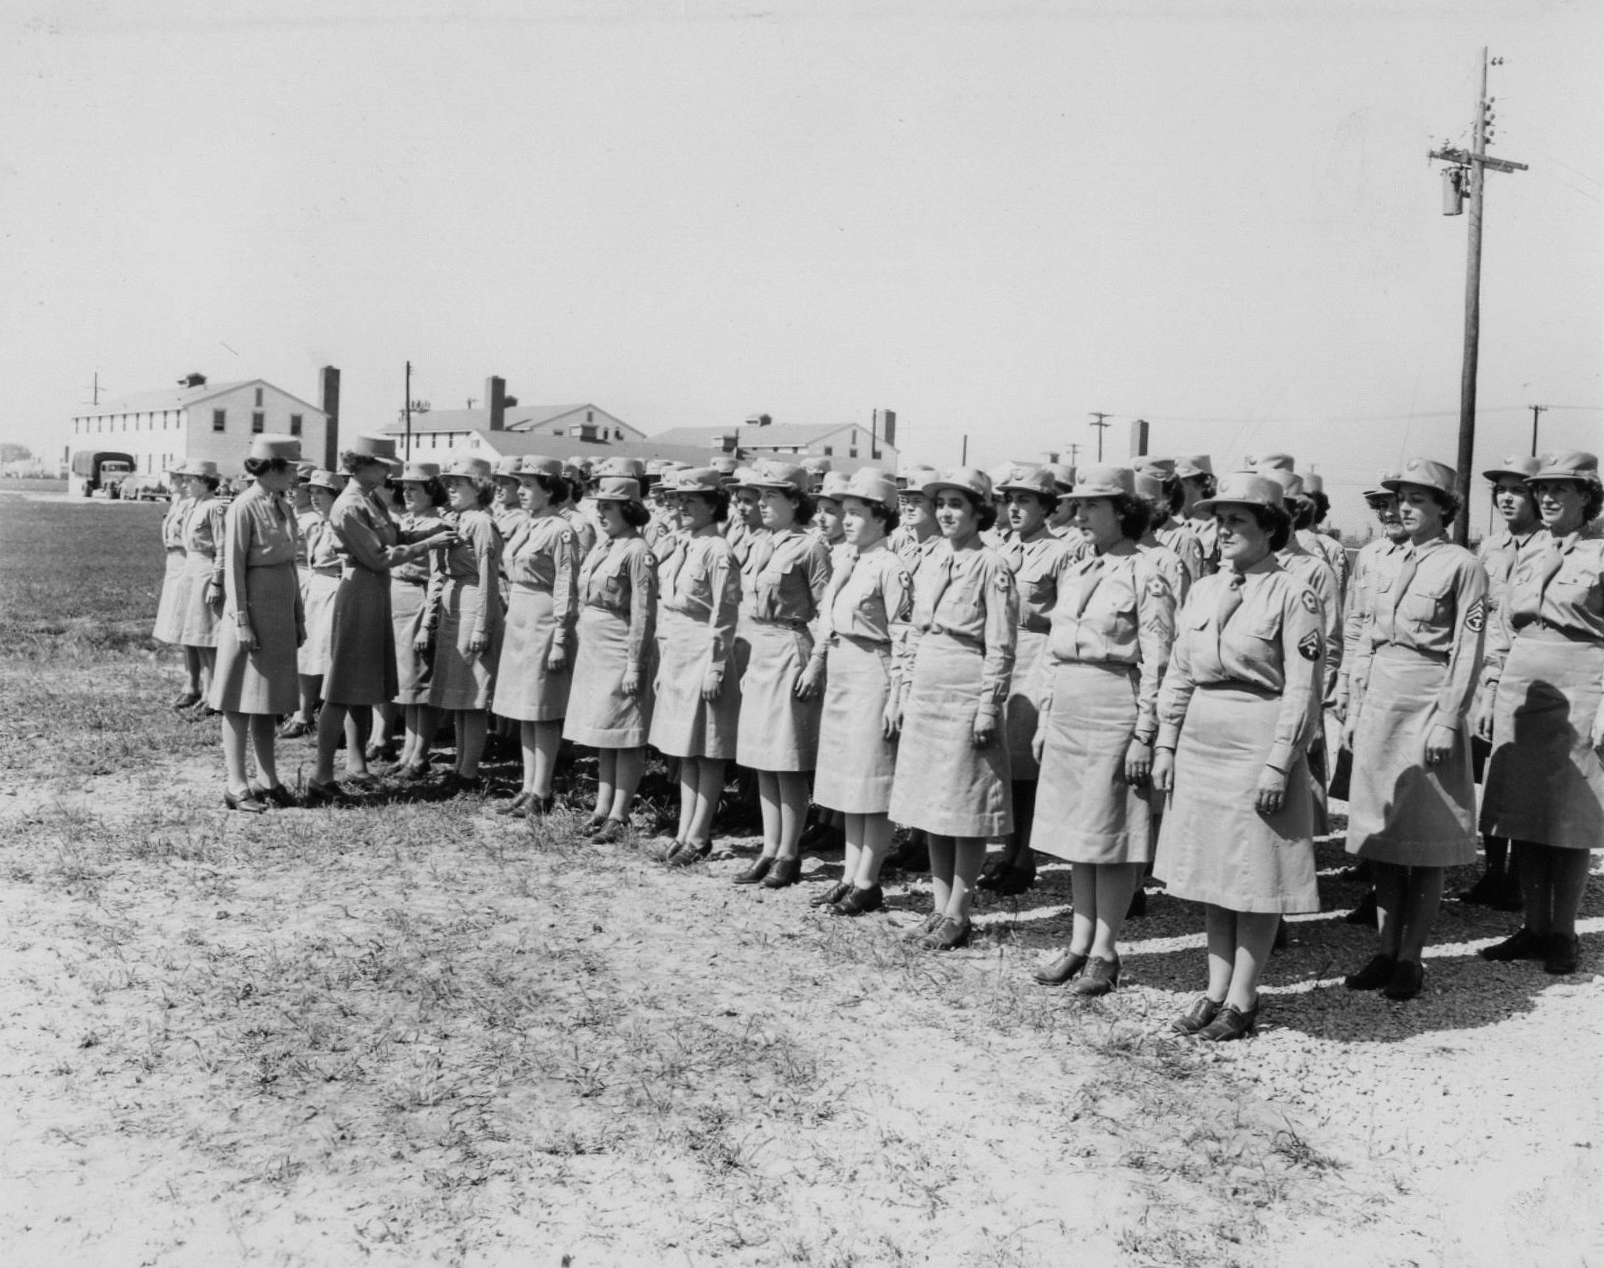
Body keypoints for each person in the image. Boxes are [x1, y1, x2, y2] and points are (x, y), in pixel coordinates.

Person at [1152, 473, 1324, 1041]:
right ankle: (1213, 990)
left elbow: (1303, 686)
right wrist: (1165, 741)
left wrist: (1281, 760)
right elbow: (1179, 671)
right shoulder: (1203, 589)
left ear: (1270, 529)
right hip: (1203, 738)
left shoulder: (1295, 592)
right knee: (1211, 871)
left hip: (1257, 736)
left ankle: (1243, 999)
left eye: (1238, 521)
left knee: (1254, 873)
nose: (1223, 530)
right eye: (1219, 520)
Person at [1342, 458, 1487, 1001]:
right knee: (1383, 835)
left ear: (1444, 508)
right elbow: (1360, 635)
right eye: (1400, 496)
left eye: (1419, 499)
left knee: (1424, 841)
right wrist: (1354, 706)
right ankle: (1383, 949)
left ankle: (1411, 958)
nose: (1404, 506)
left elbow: (1467, 651)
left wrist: (1449, 720)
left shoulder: (1461, 565)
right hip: (1381, 697)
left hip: (1428, 701)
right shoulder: (1377, 557)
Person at [1030, 466, 1175, 994]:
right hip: (1070, 703)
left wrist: (1146, 731)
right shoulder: (1076, 570)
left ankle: (1106, 952)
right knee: (1076, 833)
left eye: (1093, 506)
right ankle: (1078, 943)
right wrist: (1046, 718)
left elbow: (1159, 659)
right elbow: (1053, 651)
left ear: (1123, 512)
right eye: (1078, 505)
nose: (1081, 514)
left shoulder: (1148, 572)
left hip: (1116, 703)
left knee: (1110, 833)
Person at [1477, 451, 1604, 976]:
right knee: (1523, 811)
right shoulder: (1528, 553)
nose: (1547, 498)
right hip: (1524, 683)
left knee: (1569, 814)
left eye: (1562, 489)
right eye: (1543, 489)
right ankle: (1532, 925)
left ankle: (1563, 932)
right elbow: (1504, 628)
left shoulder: (1601, 553)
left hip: (1581, 681)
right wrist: (1490, 688)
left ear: (1588, 497)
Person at [888, 467, 1018, 950]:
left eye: (956, 504)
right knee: (931, 802)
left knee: (964, 804)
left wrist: (989, 705)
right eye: (939, 503)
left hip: (966, 683)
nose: (945, 512)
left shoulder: (993, 565)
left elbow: (1002, 644)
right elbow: (912, 630)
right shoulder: (930, 558)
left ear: (979, 511)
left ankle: (960, 912)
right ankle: (938, 907)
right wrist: (902, 690)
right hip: (928, 683)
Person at [309, 436, 454, 801]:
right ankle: (321, 775)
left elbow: (396, 535)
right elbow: (377, 556)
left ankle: (356, 766)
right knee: (342, 687)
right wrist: (428, 545)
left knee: (363, 684)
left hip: (374, 592)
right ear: (361, 465)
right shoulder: (348, 506)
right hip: (359, 591)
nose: (389, 471)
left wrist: (430, 531)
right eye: (383, 464)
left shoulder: (370, 499)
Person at [802, 469, 913, 914]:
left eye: (856, 513)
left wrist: (898, 693)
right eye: (844, 513)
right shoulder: (847, 561)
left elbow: (903, 634)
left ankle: (868, 880)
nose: (846, 521)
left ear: (882, 518)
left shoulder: (891, 567)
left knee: (872, 779)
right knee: (848, 780)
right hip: (844, 670)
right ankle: (849, 875)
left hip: (874, 670)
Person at [981, 466, 1085, 896]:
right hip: (1000, 656)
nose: (1016, 508)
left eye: (1026, 500)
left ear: (1047, 507)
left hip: (1036, 657)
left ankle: (1024, 858)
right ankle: (1007, 852)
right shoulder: (998, 547)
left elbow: (1067, 616)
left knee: (1026, 768)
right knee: (1003, 765)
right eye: (1011, 500)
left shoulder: (1061, 553)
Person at [728, 461, 832, 889]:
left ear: (796, 501)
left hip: (792, 647)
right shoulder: (758, 543)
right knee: (761, 759)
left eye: (773, 496)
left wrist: (817, 662)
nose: (763, 504)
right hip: (762, 647)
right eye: (761, 495)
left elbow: (827, 611)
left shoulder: (811, 547)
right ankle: (769, 848)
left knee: (787, 759)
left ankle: (790, 853)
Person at [1461, 454, 1544, 910]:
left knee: (1521, 775)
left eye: (1518, 489)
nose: (1507, 498)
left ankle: (1520, 878)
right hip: (1487, 672)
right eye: (1501, 490)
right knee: (1489, 773)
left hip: (1527, 671)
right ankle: (1493, 872)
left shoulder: (1548, 546)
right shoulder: (1490, 548)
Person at [208, 435, 307, 812]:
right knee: (238, 700)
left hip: (279, 611)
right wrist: (242, 622)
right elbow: (233, 568)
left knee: (269, 700)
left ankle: (268, 779)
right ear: (274, 468)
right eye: (293, 467)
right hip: (251, 612)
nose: (297, 475)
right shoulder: (243, 506)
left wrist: (297, 616)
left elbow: (290, 566)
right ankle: (236, 784)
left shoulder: (280, 505)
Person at [650, 467, 742, 861]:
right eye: (678, 500)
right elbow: (667, 609)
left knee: (707, 749)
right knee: (683, 749)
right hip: (678, 652)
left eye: (692, 500)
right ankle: (684, 829)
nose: (681, 506)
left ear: (713, 505)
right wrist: (662, 662)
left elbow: (725, 614)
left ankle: (700, 835)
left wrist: (717, 666)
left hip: (706, 652)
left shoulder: (717, 550)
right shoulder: (681, 545)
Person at [564, 476, 658, 843]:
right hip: (596, 647)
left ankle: (620, 814)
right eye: (598, 506)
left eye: (608, 506)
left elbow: (643, 612)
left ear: (628, 510)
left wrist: (636, 663)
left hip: (621, 647)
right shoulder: (607, 546)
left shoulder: (637, 551)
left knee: (626, 734)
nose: (601, 513)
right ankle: (602, 808)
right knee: (605, 732)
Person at [494, 457, 581, 817]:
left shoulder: (561, 530)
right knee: (524, 708)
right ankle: (528, 787)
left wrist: (561, 634)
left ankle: (543, 790)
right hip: (520, 616)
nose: (522, 492)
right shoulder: (527, 525)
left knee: (542, 708)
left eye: (530, 486)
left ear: (550, 490)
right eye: (521, 485)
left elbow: (566, 584)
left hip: (545, 618)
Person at [428, 456, 504, 792]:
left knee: (473, 695)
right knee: (459, 696)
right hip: (456, 599)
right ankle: (461, 766)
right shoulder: (459, 519)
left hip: (474, 602)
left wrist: (482, 626)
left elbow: (488, 577)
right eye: (449, 483)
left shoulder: (481, 523)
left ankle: (469, 771)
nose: (451, 489)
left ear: (480, 486)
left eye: (459, 483)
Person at [386, 461, 448, 779]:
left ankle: (420, 754)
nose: (407, 493)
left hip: (419, 603)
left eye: (415, 488)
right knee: (406, 686)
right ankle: (408, 751)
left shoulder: (438, 524)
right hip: (398, 600)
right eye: (404, 487)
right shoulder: (407, 520)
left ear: (431, 490)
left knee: (421, 685)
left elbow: (439, 576)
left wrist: (429, 621)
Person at [288, 468, 345, 745]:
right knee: (308, 653)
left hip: (334, 591)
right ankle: (302, 715)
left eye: (321, 492)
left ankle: (333, 721)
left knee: (328, 655)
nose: (315, 497)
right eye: (311, 492)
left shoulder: (342, 524)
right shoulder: (318, 524)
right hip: (314, 589)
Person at [174, 460, 230, 712]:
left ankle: (213, 694)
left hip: (207, 572)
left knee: (208, 636)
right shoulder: (192, 506)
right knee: (194, 636)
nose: (186, 483)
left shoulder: (215, 507)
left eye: (191, 479)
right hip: (191, 570)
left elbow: (222, 547)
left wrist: (217, 581)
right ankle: (202, 692)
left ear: (206, 482)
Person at [153, 463, 198, 706]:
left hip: (185, 565)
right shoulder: (177, 503)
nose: (170, 480)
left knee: (189, 627)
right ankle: (190, 682)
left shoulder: (191, 505)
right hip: (174, 564)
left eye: (174, 477)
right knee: (180, 628)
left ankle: (194, 685)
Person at [1176, 455, 1219, 576]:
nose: (1176, 488)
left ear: (1203, 484)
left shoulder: (1218, 528)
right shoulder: (1166, 527)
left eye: (1183, 482)